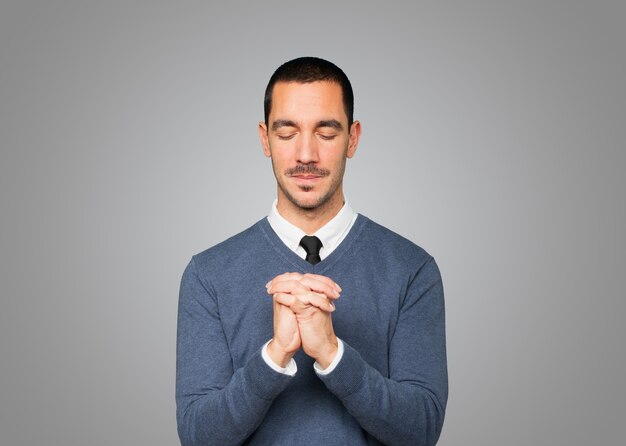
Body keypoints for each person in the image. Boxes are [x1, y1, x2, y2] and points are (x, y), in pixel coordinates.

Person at [176, 57, 448, 446]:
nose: (306, 154)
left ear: (353, 139)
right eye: (286, 133)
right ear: (264, 138)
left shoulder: (412, 269)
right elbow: (198, 437)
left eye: (326, 132)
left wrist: (333, 355)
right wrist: (273, 357)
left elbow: (421, 431)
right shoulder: (208, 275)